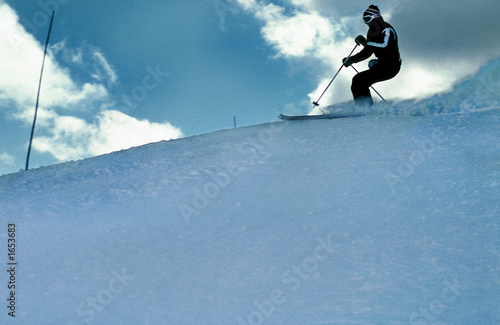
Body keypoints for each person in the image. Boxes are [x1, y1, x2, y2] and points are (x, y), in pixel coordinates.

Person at [342, 5, 401, 106]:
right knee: (358, 80)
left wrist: (365, 43)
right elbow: (368, 52)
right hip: (382, 64)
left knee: (359, 80)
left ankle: (365, 108)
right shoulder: (372, 32)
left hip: (391, 66)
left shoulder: (387, 29)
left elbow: (385, 46)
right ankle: (364, 107)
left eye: (367, 19)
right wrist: (352, 58)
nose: (366, 23)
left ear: (376, 17)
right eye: (364, 20)